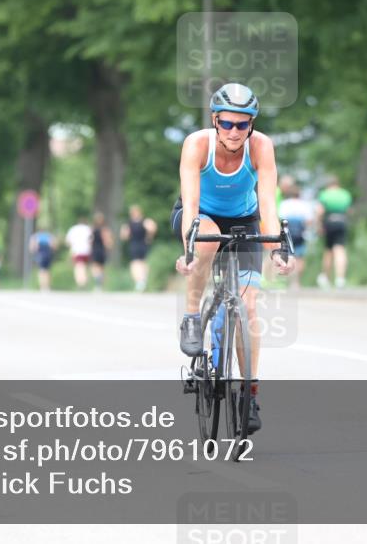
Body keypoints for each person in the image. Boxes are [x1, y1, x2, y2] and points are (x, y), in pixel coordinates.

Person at [172, 82, 295, 435]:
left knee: (249, 306)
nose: (235, 132)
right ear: (215, 121)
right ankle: (192, 317)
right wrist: (190, 252)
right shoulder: (197, 145)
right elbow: (192, 207)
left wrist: (277, 251)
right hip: (200, 216)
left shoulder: (261, 147)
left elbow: (268, 205)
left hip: (244, 220)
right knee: (208, 240)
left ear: (252, 125)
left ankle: (249, 394)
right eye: (227, 124)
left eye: (243, 124)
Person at [278, 176, 315, 290]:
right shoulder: (304, 205)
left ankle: (290, 281)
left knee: (288, 256)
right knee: (300, 257)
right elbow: (309, 220)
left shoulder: (285, 204)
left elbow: (280, 218)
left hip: (288, 233)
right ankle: (297, 282)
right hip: (300, 234)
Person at [315, 175, 352, 289]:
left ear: (328, 185)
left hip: (329, 222)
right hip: (341, 221)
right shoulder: (345, 194)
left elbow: (320, 211)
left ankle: (325, 277)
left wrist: (319, 225)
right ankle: (340, 278)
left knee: (328, 251)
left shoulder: (324, 194)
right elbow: (349, 210)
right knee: (340, 250)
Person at [120, 205, 157, 292]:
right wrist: (149, 236)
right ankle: (143, 280)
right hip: (143, 244)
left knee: (135, 263)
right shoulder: (145, 221)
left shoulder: (128, 223)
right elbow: (153, 228)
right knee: (143, 262)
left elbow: (123, 236)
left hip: (134, 244)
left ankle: (139, 282)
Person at [65, 217, 93, 289]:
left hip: (77, 250)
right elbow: (91, 240)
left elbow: (68, 241)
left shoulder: (73, 229)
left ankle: (81, 281)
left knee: (78, 266)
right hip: (86, 250)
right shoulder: (88, 229)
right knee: (84, 266)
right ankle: (84, 280)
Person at [89, 212, 113, 291]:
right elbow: (108, 241)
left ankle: (98, 283)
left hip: (95, 249)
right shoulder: (105, 229)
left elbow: (90, 241)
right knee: (102, 268)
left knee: (95, 267)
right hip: (102, 250)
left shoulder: (93, 229)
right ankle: (100, 285)